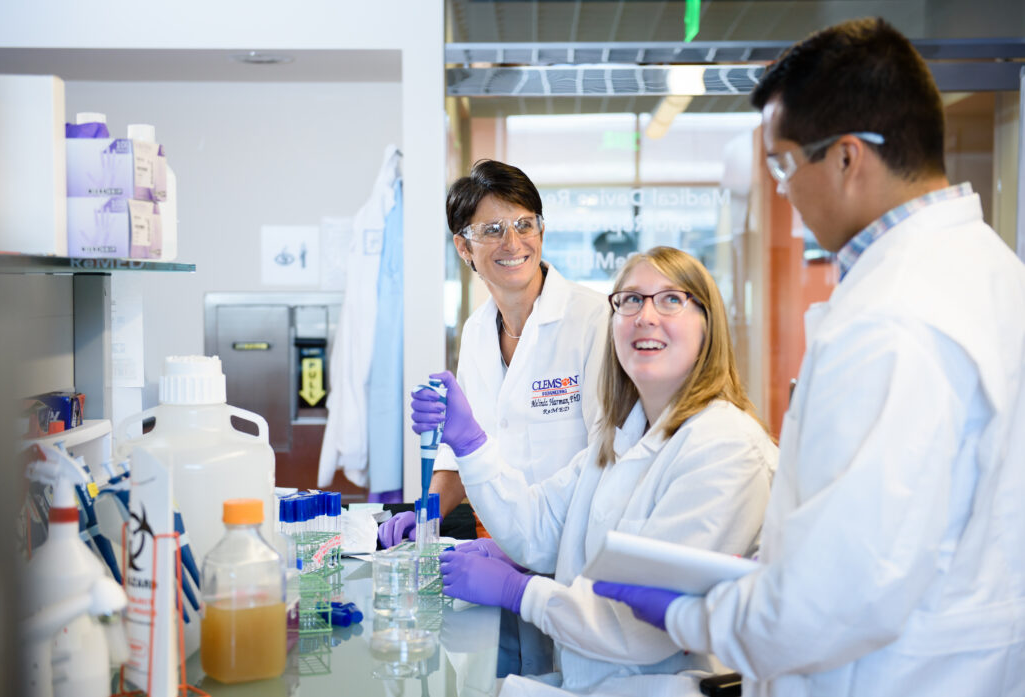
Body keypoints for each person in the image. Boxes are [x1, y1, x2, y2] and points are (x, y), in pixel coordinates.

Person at [594, 18, 1025, 697]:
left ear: (848, 157)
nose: (783, 191)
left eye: (784, 163)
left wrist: (693, 613)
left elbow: (840, 592)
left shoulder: (895, 316)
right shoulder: (988, 272)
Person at [412, 247, 777, 696]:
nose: (645, 315)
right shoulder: (621, 437)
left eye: (670, 300)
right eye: (629, 300)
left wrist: (518, 592)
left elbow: (638, 631)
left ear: (709, 325)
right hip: (590, 680)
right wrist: (470, 444)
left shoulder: (724, 447)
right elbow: (537, 527)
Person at [378, 159, 610, 546]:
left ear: (541, 231)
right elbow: (467, 453)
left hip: (573, 542)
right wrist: (425, 512)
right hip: (496, 539)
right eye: (493, 230)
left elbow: (607, 456)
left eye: (524, 224)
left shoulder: (594, 320)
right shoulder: (477, 332)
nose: (513, 243)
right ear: (464, 247)